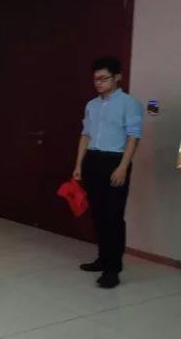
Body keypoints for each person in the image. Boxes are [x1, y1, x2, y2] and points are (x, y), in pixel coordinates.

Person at [73, 56, 143, 289]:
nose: (99, 83)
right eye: (96, 79)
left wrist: (123, 167)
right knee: (98, 215)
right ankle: (102, 259)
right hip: (93, 160)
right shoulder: (91, 105)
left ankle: (113, 269)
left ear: (117, 77)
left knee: (113, 216)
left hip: (115, 161)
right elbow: (85, 135)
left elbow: (133, 137)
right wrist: (79, 165)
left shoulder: (129, 104)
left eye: (104, 78)